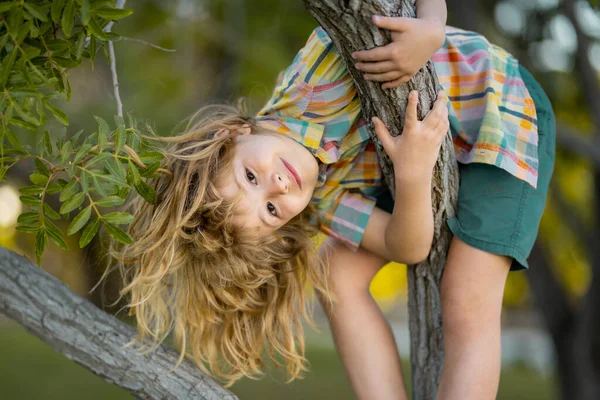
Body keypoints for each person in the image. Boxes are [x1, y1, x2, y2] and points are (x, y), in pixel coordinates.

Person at [106, 0, 556, 398]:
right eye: (270, 210)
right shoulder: (320, 202)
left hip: (500, 114)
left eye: (249, 175)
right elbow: (410, 247)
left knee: (465, 294)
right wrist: (414, 173)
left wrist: (432, 26)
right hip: (439, 157)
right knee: (334, 270)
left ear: (234, 134)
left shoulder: (318, 71)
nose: (278, 188)